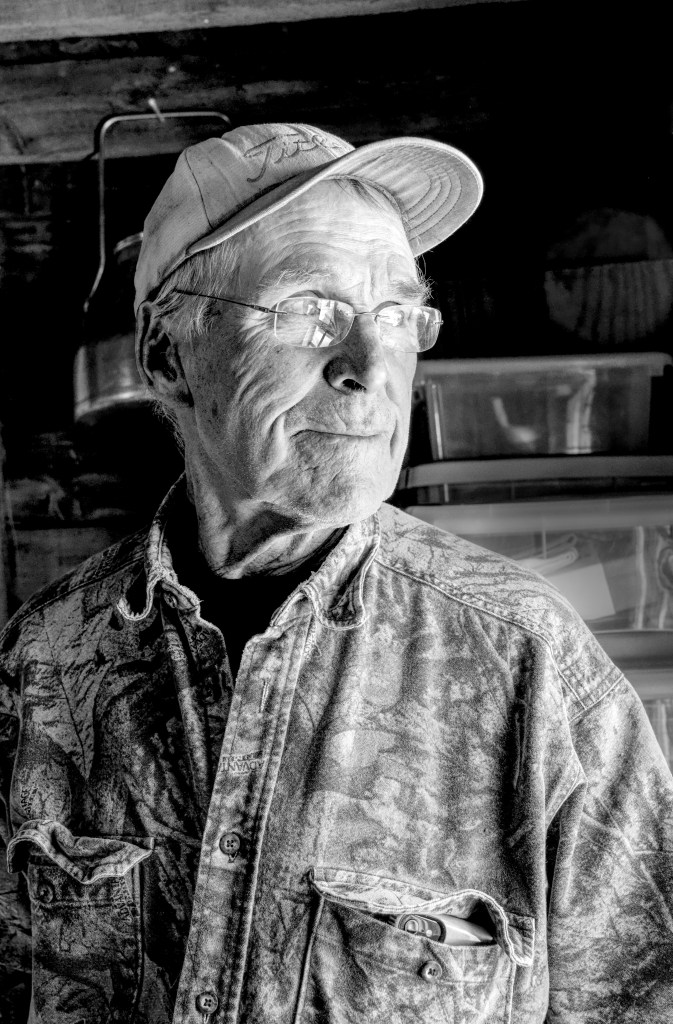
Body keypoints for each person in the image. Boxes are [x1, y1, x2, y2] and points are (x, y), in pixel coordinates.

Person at [1, 121, 672, 1024]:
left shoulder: (528, 659)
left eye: (395, 314)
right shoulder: (45, 662)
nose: (370, 366)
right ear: (167, 355)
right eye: (309, 308)